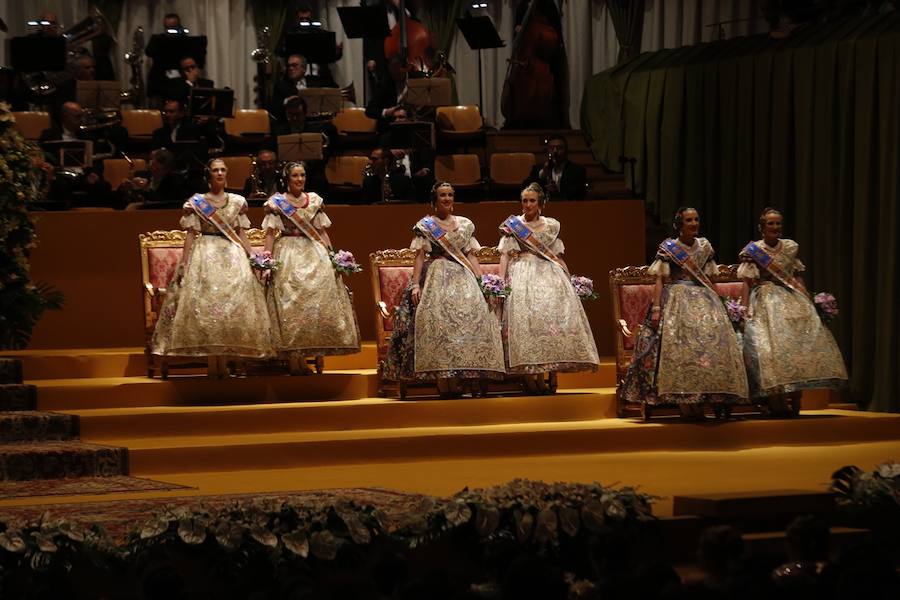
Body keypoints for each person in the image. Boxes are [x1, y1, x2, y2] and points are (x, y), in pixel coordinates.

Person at [619, 207, 749, 419]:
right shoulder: (669, 248)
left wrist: (722, 305)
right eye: (689, 220)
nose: (694, 223)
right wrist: (657, 308)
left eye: (696, 219)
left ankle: (703, 397)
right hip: (677, 299)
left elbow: (710, 280)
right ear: (679, 225)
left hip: (705, 301)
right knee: (679, 348)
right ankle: (684, 403)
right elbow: (659, 279)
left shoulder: (705, 246)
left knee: (709, 347)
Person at [150, 158, 273, 377]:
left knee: (231, 307)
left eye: (223, 170)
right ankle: (212, 363)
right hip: (205, 253)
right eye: (215, 170)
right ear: (209, 175)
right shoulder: (198, 202)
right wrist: (185, 262)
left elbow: (240, 231)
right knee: (207, 308)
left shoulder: (236, 201)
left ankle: (226, 361)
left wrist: (251, 254)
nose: (220, 173)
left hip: (232, 254)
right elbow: (190, 234)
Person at [383, 182, 505, 397]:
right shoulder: (426, 225)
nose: (447, 199)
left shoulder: (465, 225)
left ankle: (458, 377)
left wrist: (481, 282)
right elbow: (419, 256)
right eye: (442, 195)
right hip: (437, 274)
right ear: (434, 200)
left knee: (467, 322)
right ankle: (442, 380)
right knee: (439, 324)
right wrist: (416, 284)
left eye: (450, 195)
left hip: (463, 276)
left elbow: (470, 255)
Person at [738, 208, 847, 416]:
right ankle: (774, 401)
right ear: (762, 227)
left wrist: (808, 299)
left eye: (778, 223)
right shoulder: (753, 250)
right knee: (770, 349)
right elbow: (746, 282)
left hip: (790, 296)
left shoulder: (789, 247)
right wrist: (743, 307)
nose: (776, 227)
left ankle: (791, 397)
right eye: (771, 224)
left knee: (795, 347)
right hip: (765, 298)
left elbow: (796, 276)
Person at [497, 183, 599, 392]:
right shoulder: (514, 225)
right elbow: (505, 255)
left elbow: (557, 256)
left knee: (548, 322)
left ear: (541, 203)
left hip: (549, 273)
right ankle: (528, 378)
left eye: (532, 200)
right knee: (527, 324)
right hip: (523, 272)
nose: (527, 204)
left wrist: (569, 279)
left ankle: (547, 374)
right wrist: (501, 282)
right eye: (524, 200)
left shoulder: (551, 226)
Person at [262, 161, 360, 374]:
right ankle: (293, 358)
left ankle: (307, 354)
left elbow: (322, 232)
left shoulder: (314, 200)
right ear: (287, 179)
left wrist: (333, 257)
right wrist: (267, 262)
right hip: (287, 252)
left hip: (314, 254)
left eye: (302, 175)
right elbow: (269, 234)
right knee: (291, 304)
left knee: (313, 304)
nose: (299, 179)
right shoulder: (277, 203)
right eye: (295, 176)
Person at [522, 134, 586, 199]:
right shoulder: (538, 169)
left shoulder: (577, 171)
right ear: (548, 150)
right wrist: (542, 174)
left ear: (566, 151)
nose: (555, 151)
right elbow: (525, 188)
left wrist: (556, 193)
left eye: (559, 148)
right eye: (552, 148)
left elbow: (578, 196)